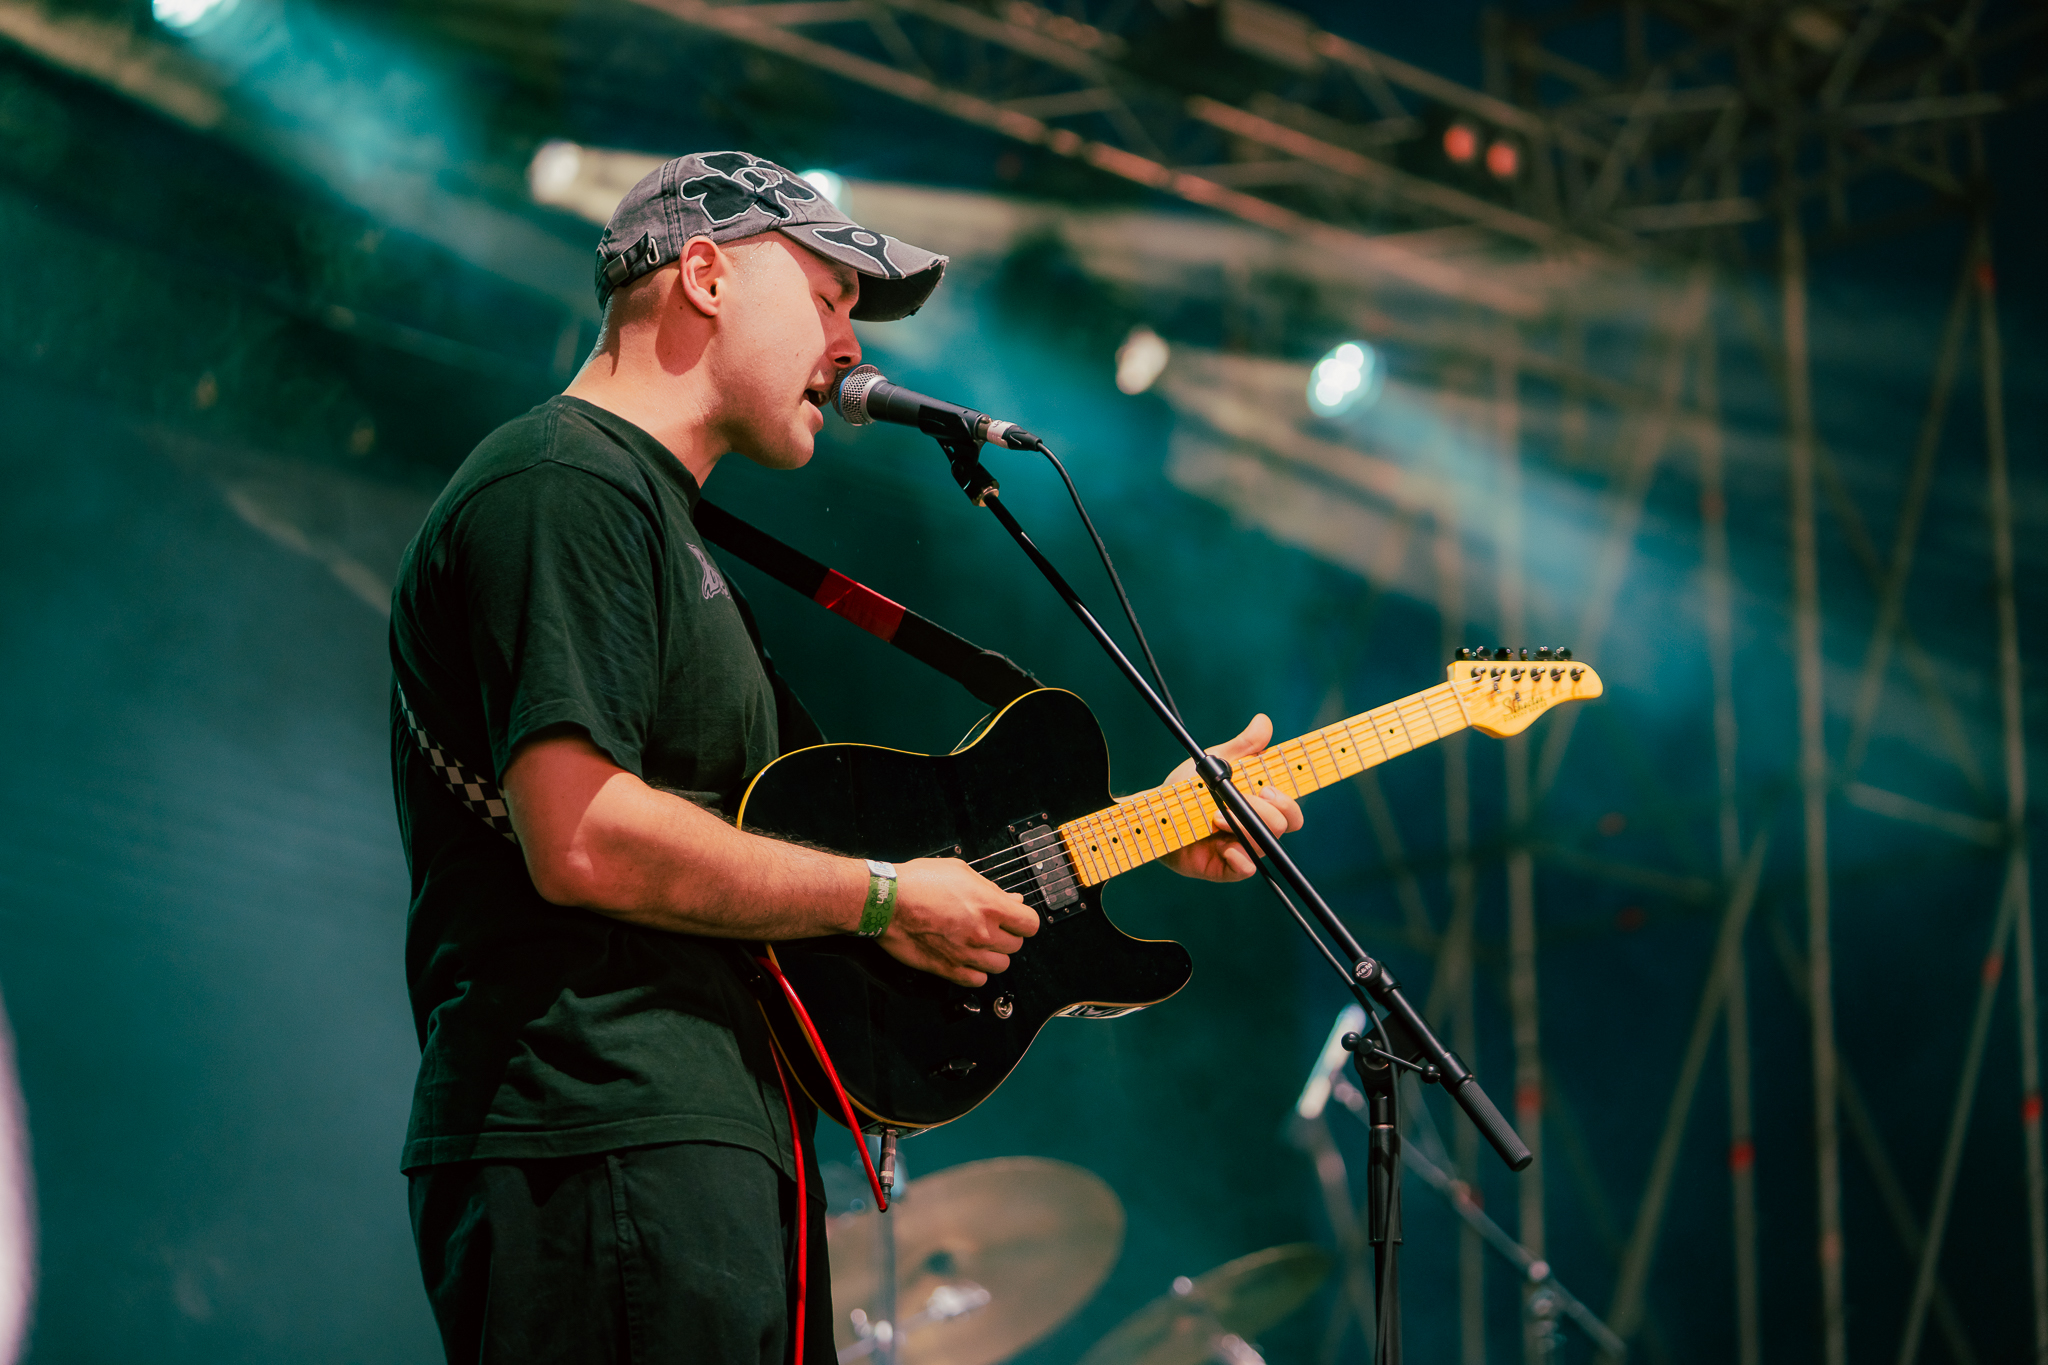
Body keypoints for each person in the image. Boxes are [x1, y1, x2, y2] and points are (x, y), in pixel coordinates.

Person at [388, 150, 1303, 1365]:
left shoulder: (656, 519)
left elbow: (792, 857)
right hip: (600, 1131)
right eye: (826, 297)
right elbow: (585, 835)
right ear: (704, 274)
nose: (849, 345)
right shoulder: (562, 485)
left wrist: (1138, 826)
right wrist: (881, 898)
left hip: (695, 1138)